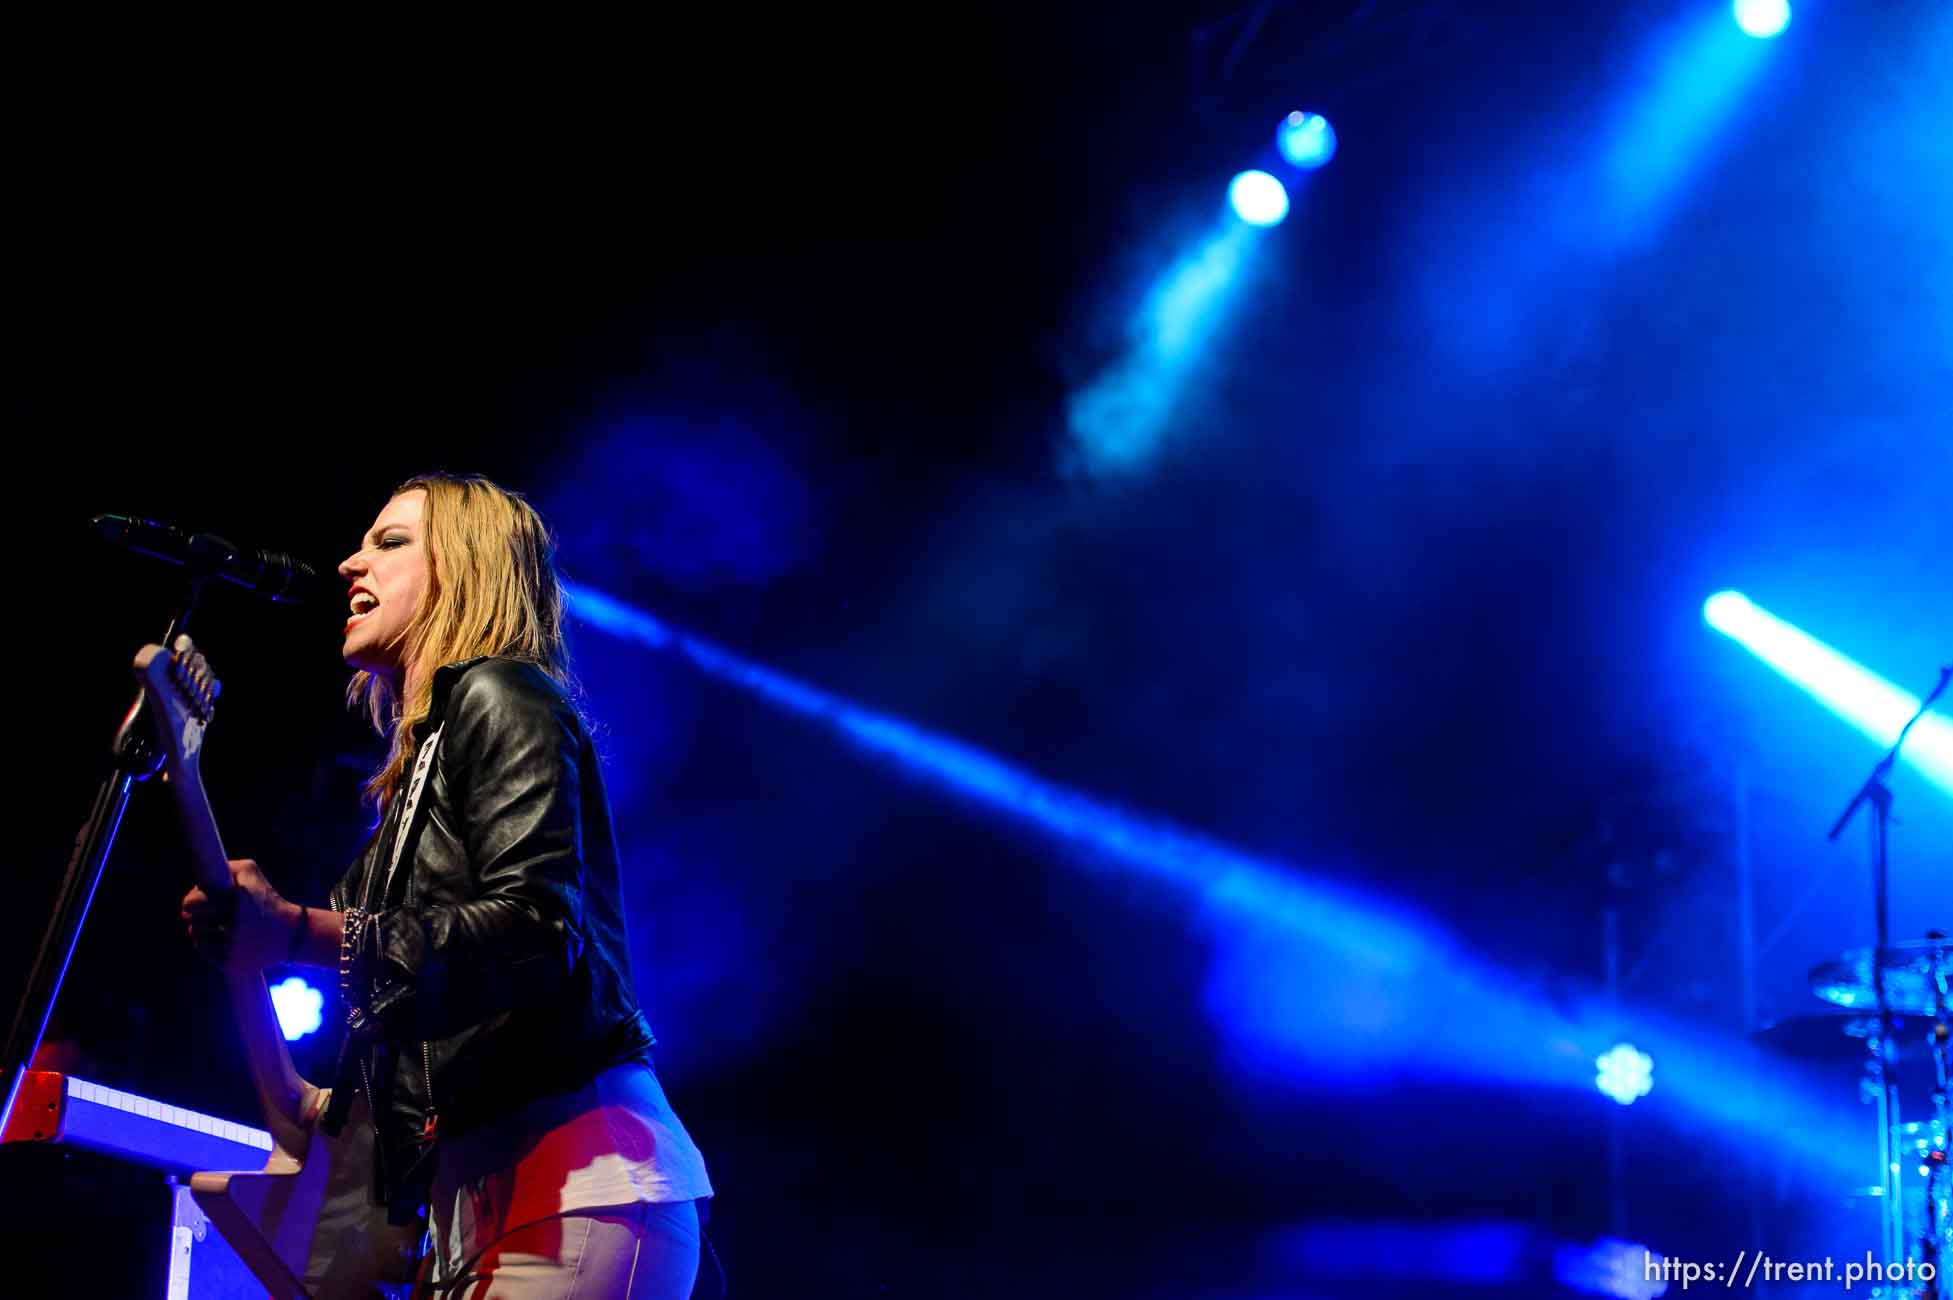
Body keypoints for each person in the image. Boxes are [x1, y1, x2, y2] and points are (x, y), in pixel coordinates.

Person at [182, 473, 713, 1298]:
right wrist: (250, 952)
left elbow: (535, 931)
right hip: (481, 1209)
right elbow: (379, 1070)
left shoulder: (502, 694)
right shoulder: (412, 777)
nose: (350, 563)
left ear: (466, 568)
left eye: (389, 543)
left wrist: (292, 930)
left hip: (573, 1181)